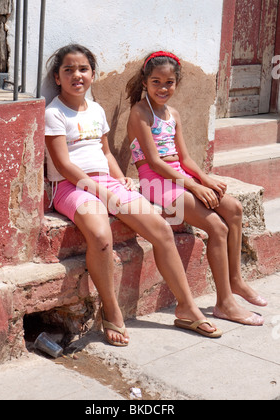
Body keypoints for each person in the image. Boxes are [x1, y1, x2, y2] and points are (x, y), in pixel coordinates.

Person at [44, 44, 224, 347]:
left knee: (161, 229)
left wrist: (119, 177)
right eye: (69, 70)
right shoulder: (53, 112)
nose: (77, 75)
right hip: (71, 186)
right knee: (101, 237)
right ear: (57, 77)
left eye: (84, 69)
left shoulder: (97, 109)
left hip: (106, 183)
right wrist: (96, 188)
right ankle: (112, 311)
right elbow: (63, 164)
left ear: (92, 74)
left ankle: (187, 308)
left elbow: (105, 151)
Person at [126, 51, 267, 327]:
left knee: (234, 209)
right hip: (154, 180)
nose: (163, 88)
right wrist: (192, 186)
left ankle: (236, 280)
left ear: (176, 83)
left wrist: (205, 179)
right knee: (218, 227)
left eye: (169, 82)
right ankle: (225, 304)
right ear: (145, 82)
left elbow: (185, 159)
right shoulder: (139, 112)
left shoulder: (173, 114)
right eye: (156, 82)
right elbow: (154, 162)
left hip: (177, 174)